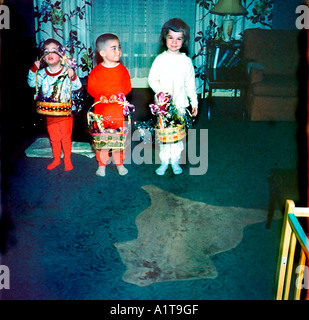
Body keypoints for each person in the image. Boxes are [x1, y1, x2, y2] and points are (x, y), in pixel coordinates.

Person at [148, 18, 198, 175]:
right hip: (163, 107)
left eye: (179, 38)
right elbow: (151, 79)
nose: (174, 42)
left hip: (180, 105)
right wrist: (161, 93)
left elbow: (190, 84)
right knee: (164, 136)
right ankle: (164, 162)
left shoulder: (186, 62)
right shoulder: (160, 59)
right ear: (165, 38)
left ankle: (175, 161)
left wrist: (194, 103)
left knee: (177, 136)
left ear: (184, 41)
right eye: (171, 37)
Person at [28, 38, 82, 171]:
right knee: (54, 138)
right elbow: (31, 83)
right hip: (49, 111)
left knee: (65, 137)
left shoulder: (67, 71)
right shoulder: (41, 74)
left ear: (61, 55)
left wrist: (73, 76)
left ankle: (67, 159)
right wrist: (33, 70)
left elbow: (77, 86)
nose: (49, 53)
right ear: (43, 57)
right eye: (46, 51)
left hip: (65, 112)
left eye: (54, 50)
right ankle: (57, 159)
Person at [87, 33, 132, 177]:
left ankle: (119, 163)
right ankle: (102, 163)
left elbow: (127, 87)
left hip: (117, 112)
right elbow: (91, 88)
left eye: (119, 47)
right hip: (101, 112)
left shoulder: (122, 70)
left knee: (119, 138)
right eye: (113, 48)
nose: (118, 50)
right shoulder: (96, 71)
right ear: (102, 53)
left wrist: (118, 94)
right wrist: (101, 96)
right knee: (102, 138)